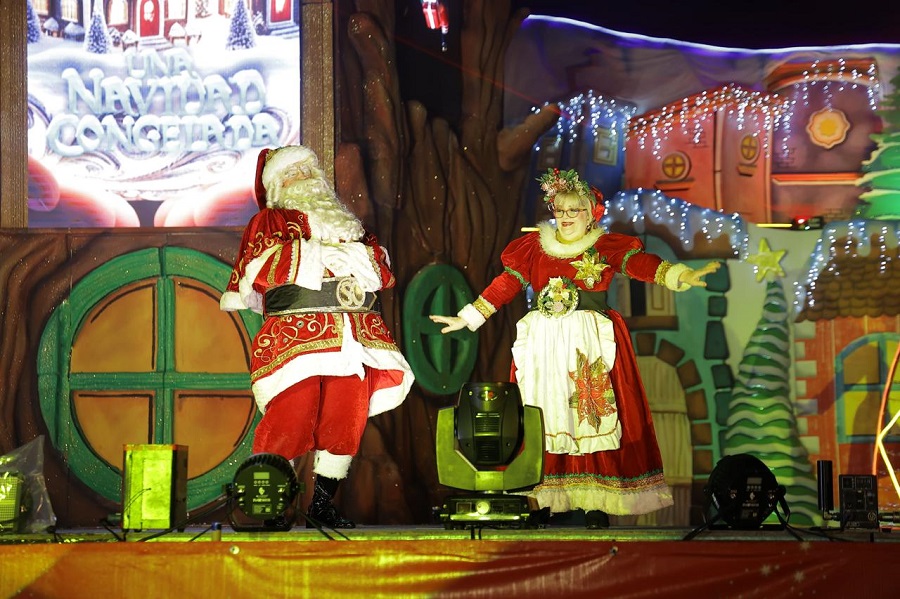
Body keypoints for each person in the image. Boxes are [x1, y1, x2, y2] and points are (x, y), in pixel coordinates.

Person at [430, 167, 719, 528]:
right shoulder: (533, 249)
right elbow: (506, 284)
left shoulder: (604, 246)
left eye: (574, 211)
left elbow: (639, 264)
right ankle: (548, 498)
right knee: (545, 413)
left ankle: (595, 502)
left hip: (587, 343)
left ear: (590, 214)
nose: (565, 218)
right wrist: (469, 317)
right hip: (544, 345)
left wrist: (678, 275)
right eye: (560, 210)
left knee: (589, 412)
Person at [221, 145, 414, 528]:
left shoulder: (348, 223)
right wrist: (320, 257)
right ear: (277, 185)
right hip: (298, 340)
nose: (302, 179)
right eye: (291, 174)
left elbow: (382, 272)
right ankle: (272, 501)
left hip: (353, 338)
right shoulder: (271, 221)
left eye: (307, 170)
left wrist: (354, 258)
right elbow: (260, 268)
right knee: (290, 417)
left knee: (346, 420)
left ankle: (323, 504)